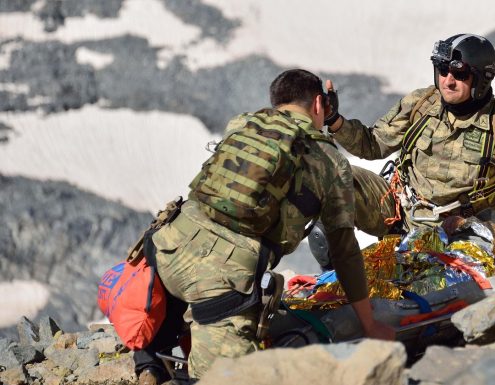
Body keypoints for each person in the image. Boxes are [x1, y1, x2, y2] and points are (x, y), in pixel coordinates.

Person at [134, 69, 395, 383]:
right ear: (318, 104)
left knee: (176, 308)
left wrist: (317, 108)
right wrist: (369, 324)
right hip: (220, 280)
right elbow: (344, 251)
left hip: (163, 251)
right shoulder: (329, 161)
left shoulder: (241, 125)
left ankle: (149, 364)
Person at [324, 33, 495, 236]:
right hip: (399, 213)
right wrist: (334, 120)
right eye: (442, 70)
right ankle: (342, 280)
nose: (448, 81)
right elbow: (373, 145)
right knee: (330, 181)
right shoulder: (421, 102)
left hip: (462, 230)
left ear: (482, 79)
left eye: (459, 73)